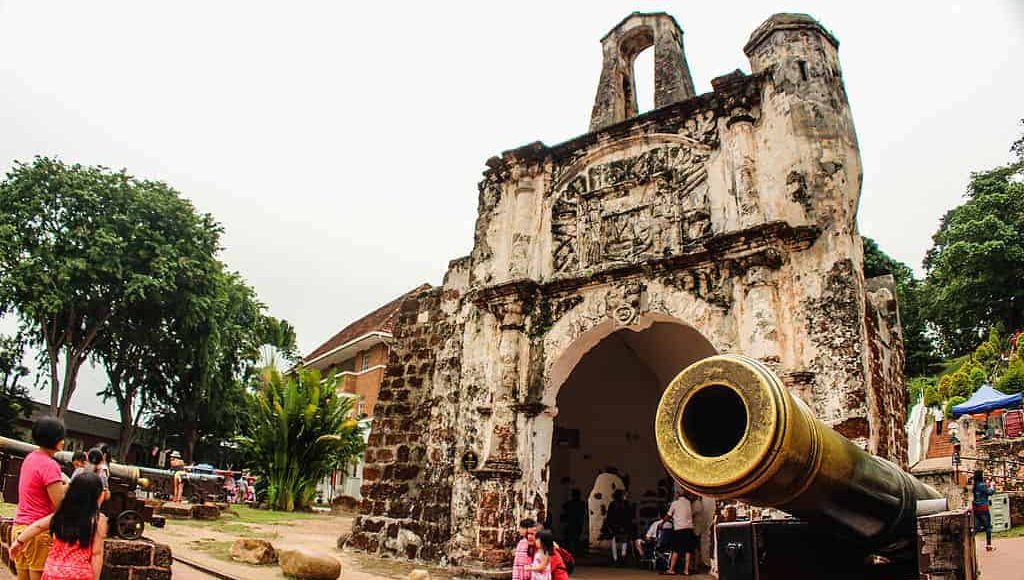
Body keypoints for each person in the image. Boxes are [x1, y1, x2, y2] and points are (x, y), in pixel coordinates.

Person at [11, 472, 108, 580]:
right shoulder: (98, 520)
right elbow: (96, 554)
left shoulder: (61, 515)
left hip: (52, 572)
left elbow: (38, 526)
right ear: (97, 496)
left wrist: (19, 541)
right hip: (79, 574)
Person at [12, 416, 68, 580]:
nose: (63, 441)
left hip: (20, 530)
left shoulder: (30, 458)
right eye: (61, 437)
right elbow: (59, 503)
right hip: (38, 533)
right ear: (55, 440)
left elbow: (41, 491)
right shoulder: (50, 466)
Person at [665, 490, 701, 575]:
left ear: (677, 495)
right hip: (689, 528)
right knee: (688, 550)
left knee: (676, 549)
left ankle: (671, 569)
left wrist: (663, 522)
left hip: (679, 529)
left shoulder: (675, 503)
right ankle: (686, 570)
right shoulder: (688, 503)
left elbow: (668, 515)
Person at [604, 489, 633, 564]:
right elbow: (629, 515)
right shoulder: (623, 504)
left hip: (618, 525)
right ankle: (621, 556)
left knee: (618, 541)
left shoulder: (614, 504)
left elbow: (609, 516)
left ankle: (616, 557)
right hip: (619, 525)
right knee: (622, 541)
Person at [972, 469, 996, 551]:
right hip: (983, 508)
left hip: (976, 508)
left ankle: (970, 541)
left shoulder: (975, 485)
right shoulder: (982, 485)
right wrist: (992, 485)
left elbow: (982, 492)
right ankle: (989, 545)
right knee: (988, 527)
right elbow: (990, 492)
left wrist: (987, 485)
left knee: (977, 527)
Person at [561, 488, 586, 555]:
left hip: (572, 523)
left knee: (571, 539)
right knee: (574, 539)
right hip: (576, 523)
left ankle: (570, 552)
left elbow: (564, 507)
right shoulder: (581, 503)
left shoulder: (572, 503)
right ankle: (574, 552)